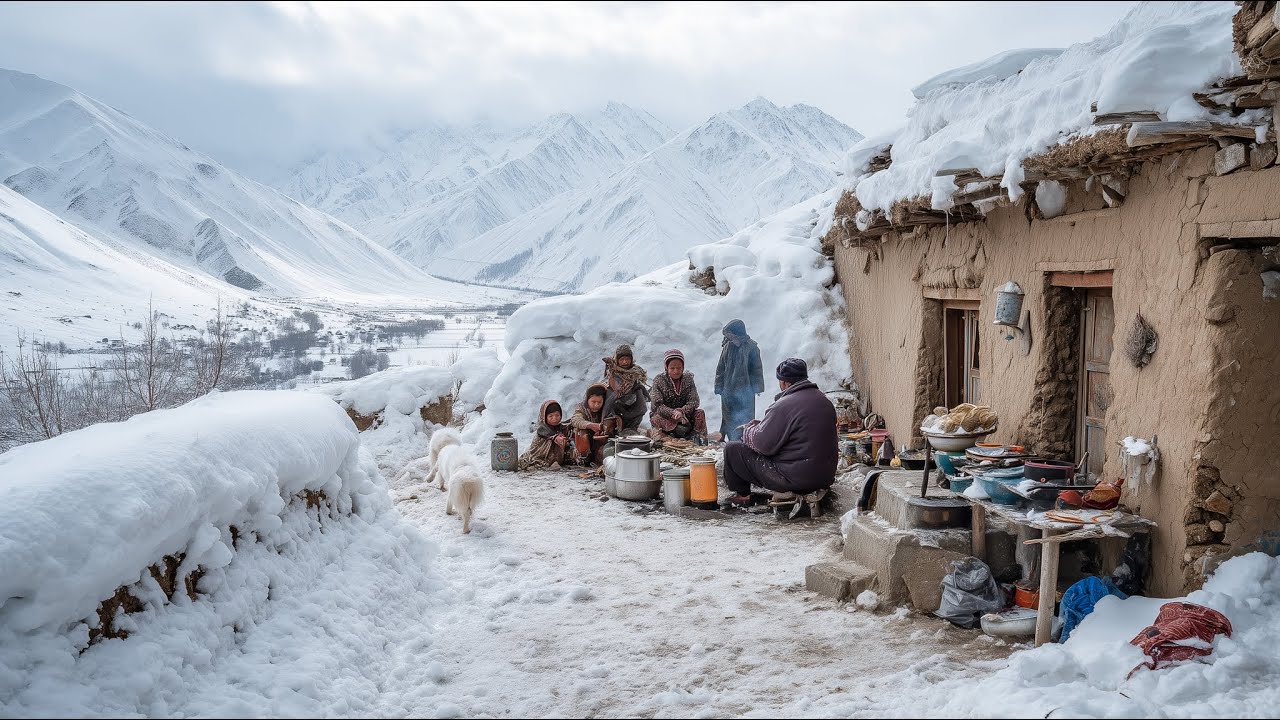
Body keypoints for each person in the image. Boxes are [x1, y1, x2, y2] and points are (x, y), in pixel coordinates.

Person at [722, 358, 837, 506]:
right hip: (823, 477)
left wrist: (747, 431)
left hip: (796, 479)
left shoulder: (785, 404)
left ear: (784, 383)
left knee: (732, 449)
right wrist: (762, 424)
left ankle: (742, 496)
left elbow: (763, 445)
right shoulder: (824, 401)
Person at [714, 319, 764, 442]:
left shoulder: (752, 347)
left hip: (746, 390)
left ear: (739, 334)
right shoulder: (727, 347)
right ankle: (732, 441)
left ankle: (745, 439)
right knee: (728, 416)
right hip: (728, 389)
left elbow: (756, 368)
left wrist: (757, 387)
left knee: (745, 416)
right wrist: (719, 386)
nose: (730, 339)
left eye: (732, 336)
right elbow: (721, 368)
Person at [649, 349, 707, 442]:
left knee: (700, 413)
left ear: (683, 367)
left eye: (679, 368)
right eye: (672, 368)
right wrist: (673, 413)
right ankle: (665, 439)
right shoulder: (659, 380)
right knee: (656, 418)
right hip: (666, 416)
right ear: (666, 368)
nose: (676, 371)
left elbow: (694, 401)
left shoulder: (688, 379)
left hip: (685, 415)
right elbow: (657, 405)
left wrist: (682, 411)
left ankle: (697, 438)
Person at [602, 344, 649, 431]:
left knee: (640, 395)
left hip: (631, 403)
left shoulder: (635, 372)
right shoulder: (612, 371)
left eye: (627, 359)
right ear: (617, 360)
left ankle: (632, 427)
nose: (625, 362)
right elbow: (607, 388)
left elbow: (639, 386)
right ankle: (610, 426)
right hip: (616, 404)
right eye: (621, 359)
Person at [518, 400, 576, 471]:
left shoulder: (561, 427)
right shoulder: (542, 427)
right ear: (544, 416)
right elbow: (543, 431)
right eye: (550, 416)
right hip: (540, 458)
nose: (554, 418)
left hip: (558, 459)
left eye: (557, 415)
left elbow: (571, 422)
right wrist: (555, 437)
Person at [570, 383, 618, 465]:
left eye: (599, 402)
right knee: (581, 431)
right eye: (593, 402)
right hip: (587, 439)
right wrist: (591, 425)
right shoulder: (582, 407)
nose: (596, 405)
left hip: (602, 441)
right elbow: (575, 420)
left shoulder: (608, 409)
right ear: (587, 399)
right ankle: (583, 458)